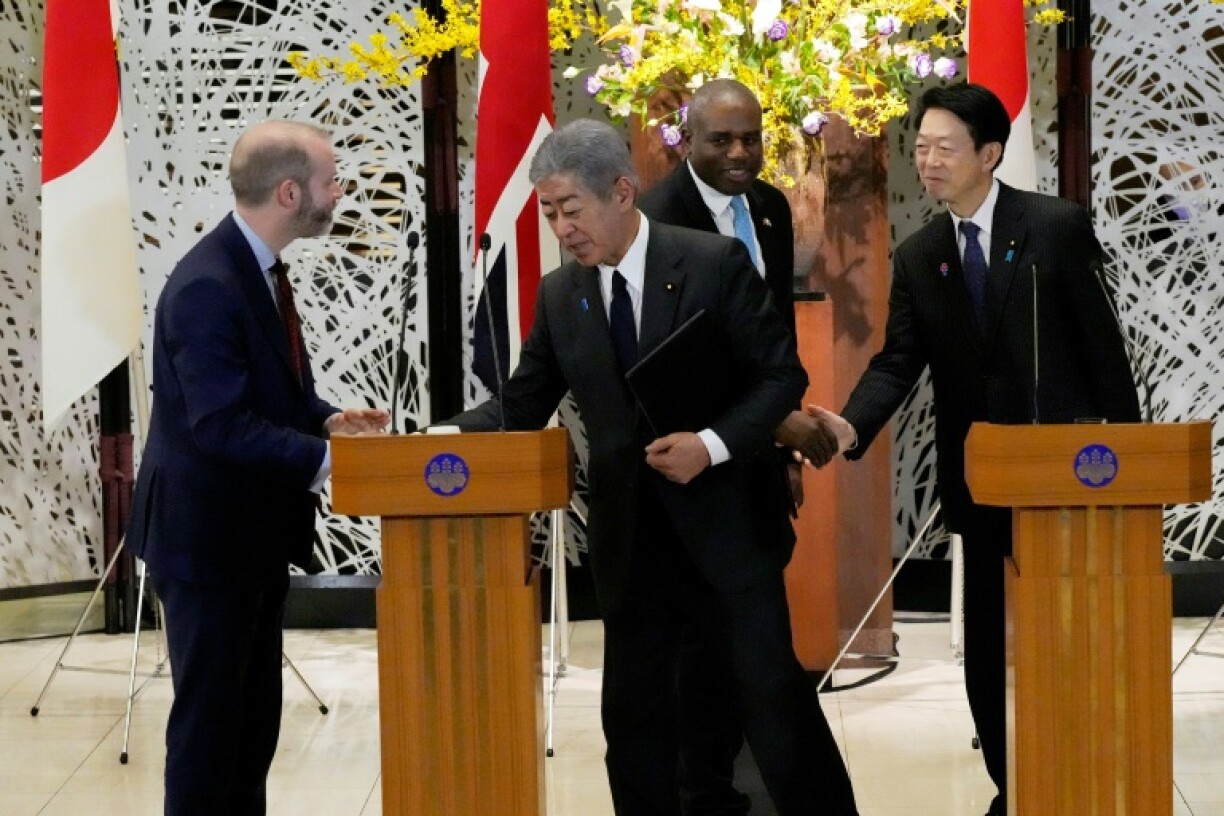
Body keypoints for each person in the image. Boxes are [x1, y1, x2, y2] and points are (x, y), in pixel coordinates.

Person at [447, 118, 858, 816]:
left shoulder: (712, 263)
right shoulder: (561, 295)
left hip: (728, 535)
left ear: (622, 192)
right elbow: (519, 406)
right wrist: (424, 437)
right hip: (632, 548)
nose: (560, 229)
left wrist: (712, 444)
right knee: (634, 733)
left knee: (775, 716)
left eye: (570, 210)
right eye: (548, 213)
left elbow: (779, 379)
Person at [812, 83, 1140, 816]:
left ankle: (1077, 774)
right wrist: (850, 424)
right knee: (991, 651)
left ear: (990, 154)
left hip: (1069, 482)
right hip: (983, 485)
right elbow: (900, 361)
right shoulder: (923, 251)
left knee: (1069, 640)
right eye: (920, 145)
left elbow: (1103, 352)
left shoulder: (1055, 227)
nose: (926, 160)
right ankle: (1010, 783)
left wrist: (1129, 464)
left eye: (944, 147)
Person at [126, 120, 389, 816]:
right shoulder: (208, 284)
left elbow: (266, 392)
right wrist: (327, 459)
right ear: (290, 190)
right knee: (213, 736)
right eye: (331, 181)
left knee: (249, 732)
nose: (340, 192)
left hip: (247, 540)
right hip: (207, 542)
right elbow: (219, 425)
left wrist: (326, 418)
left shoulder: (256, 270)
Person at [638, 78, 832, 815]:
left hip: (748, 457)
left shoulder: (773, 210)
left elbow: (768, 347)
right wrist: (777, 423)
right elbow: (672, 367)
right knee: (703, 647)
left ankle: (725, 784)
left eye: (751, 136)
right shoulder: (657, 219)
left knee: (742, 641)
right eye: (721, 139)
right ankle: (703, 790)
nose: (741, 152)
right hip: (688, 468)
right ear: (685, 140)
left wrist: (776, 445)